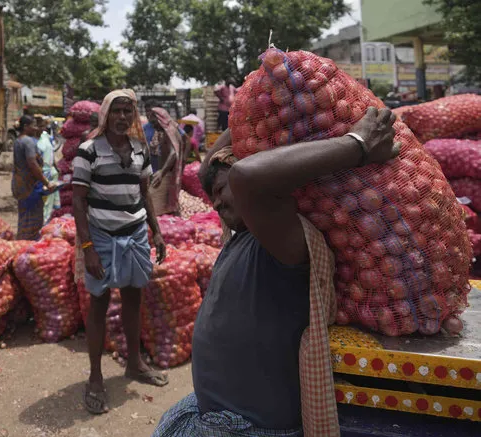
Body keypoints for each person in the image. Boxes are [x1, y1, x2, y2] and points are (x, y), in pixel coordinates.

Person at [153, 107, 400, 437]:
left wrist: (356, 145)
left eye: (222, 192)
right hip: (215, 413)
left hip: (250, 428)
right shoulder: (241, 233)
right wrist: (249, 105)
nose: (214, 202)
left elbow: (244, 176)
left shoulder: (283, 242)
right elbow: (212, 172)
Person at [72, 89, 169, 416]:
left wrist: (156, 231)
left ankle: (134, 364)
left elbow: (145, 195)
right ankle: (95, 377)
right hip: (101, 238)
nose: (123, 117)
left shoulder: (140, 150)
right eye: (117, 111)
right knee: (99, 303)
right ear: (105, 115)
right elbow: (78, 202)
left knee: (133, 298)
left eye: (128, 111)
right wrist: (88, 249)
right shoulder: (88, 151)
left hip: (136, 235)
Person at [11, 115, 58, 240]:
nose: (36, 128)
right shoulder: (28, 142)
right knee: (33, 219)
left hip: (20, 184)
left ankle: (22, 240)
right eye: (33, 125)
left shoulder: (18, 140)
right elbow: (32, 164)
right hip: (29, 186)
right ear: (26, 127)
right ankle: (28, 243)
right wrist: (46, 183)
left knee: (24, 217)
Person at [148, 107, 183, 216]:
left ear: (160, 119)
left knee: (154, 206)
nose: (152, 125)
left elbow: (173, 153)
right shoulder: (163, 131)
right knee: (167, 207)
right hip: (164, 173)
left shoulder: (169, 131)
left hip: (166, 174)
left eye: (154, 122)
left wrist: (161, 173)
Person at [35, 117, 61, 223]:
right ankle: (41, 226)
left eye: (43, 126)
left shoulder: (46, 137)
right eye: (38, 126)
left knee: (49, 203)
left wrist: (56, 166)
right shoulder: (33, 141)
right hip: (41, 175)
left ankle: (46, 224)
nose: (41, 129)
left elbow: (51, 152)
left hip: (51, 173)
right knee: (42, 203)